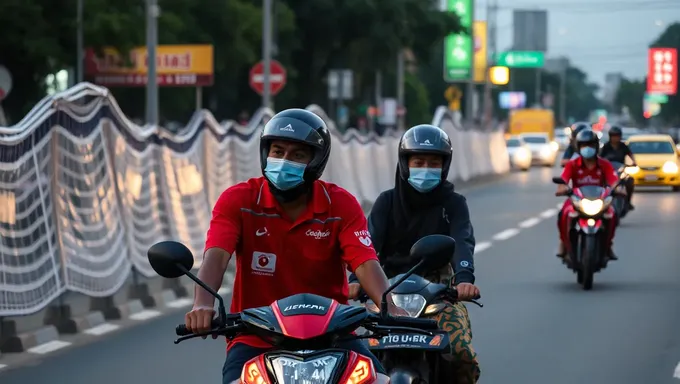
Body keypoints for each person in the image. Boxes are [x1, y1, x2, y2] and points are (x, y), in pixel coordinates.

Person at [184, 108, 406, 384]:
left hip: (334, 336)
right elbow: (216, 257)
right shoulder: (238, 200)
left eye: (297, 155)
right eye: (278, 151)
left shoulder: (341, 205)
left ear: (316, 162)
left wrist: (391, 307)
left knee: (382, 380)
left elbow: (365, 263)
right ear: (266, 154)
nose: (284, 160)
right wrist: (203, 304)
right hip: (256, 338)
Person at [348, 124, 482, 383]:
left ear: (444, 166)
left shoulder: (454, 203)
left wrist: (464, 278)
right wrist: (355, 281)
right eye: (418, 161)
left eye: (434, 162)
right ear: (404, 163)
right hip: (383, 293)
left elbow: (462, 240)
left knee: (462, 354)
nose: (426, 168)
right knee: (352, 358)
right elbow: (365, 247)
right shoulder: (386, 202)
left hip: (438, 294)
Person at [556, 129, 624, 261]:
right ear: (578, 147)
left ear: (596, 146)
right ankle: (564, 243)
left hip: (600, 200)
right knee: (563, 214)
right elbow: (563, 180)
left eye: (590, 145)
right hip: (576, 199)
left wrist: (619, 189)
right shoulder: (572, 164)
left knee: (612, 215)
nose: (587, 148)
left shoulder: (604, 164)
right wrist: (562, 188)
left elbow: (614, 180)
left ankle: (608, 245)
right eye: (584, 145)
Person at [599, 126, 636, 210]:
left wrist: (634, 163)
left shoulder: (623, 146)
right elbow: (599, 158)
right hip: (608, 171)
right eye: (614, 136)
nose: (616, 138)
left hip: (620, 171)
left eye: (617, 136)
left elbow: (630, 155)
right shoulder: (606, 146)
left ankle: (628, 202)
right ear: (610, 137)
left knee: (630, 181)